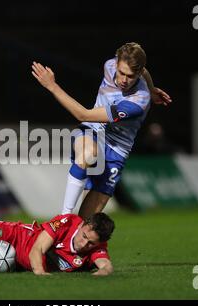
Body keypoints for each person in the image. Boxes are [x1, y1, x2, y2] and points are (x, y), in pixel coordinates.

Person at [32, 42, 172, 219]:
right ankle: (64, 218)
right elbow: (144, 71)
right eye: (121, 72)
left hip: (117, 152)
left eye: (130, 76)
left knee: (85, 223)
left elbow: (83, 114)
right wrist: (152, 89)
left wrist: (52, 86)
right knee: (89, 153)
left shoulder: (139, 101)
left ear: (137, 73)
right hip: (93, 131)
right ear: (116, 62)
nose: (124, 80)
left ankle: (67, 236)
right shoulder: (110, 64)